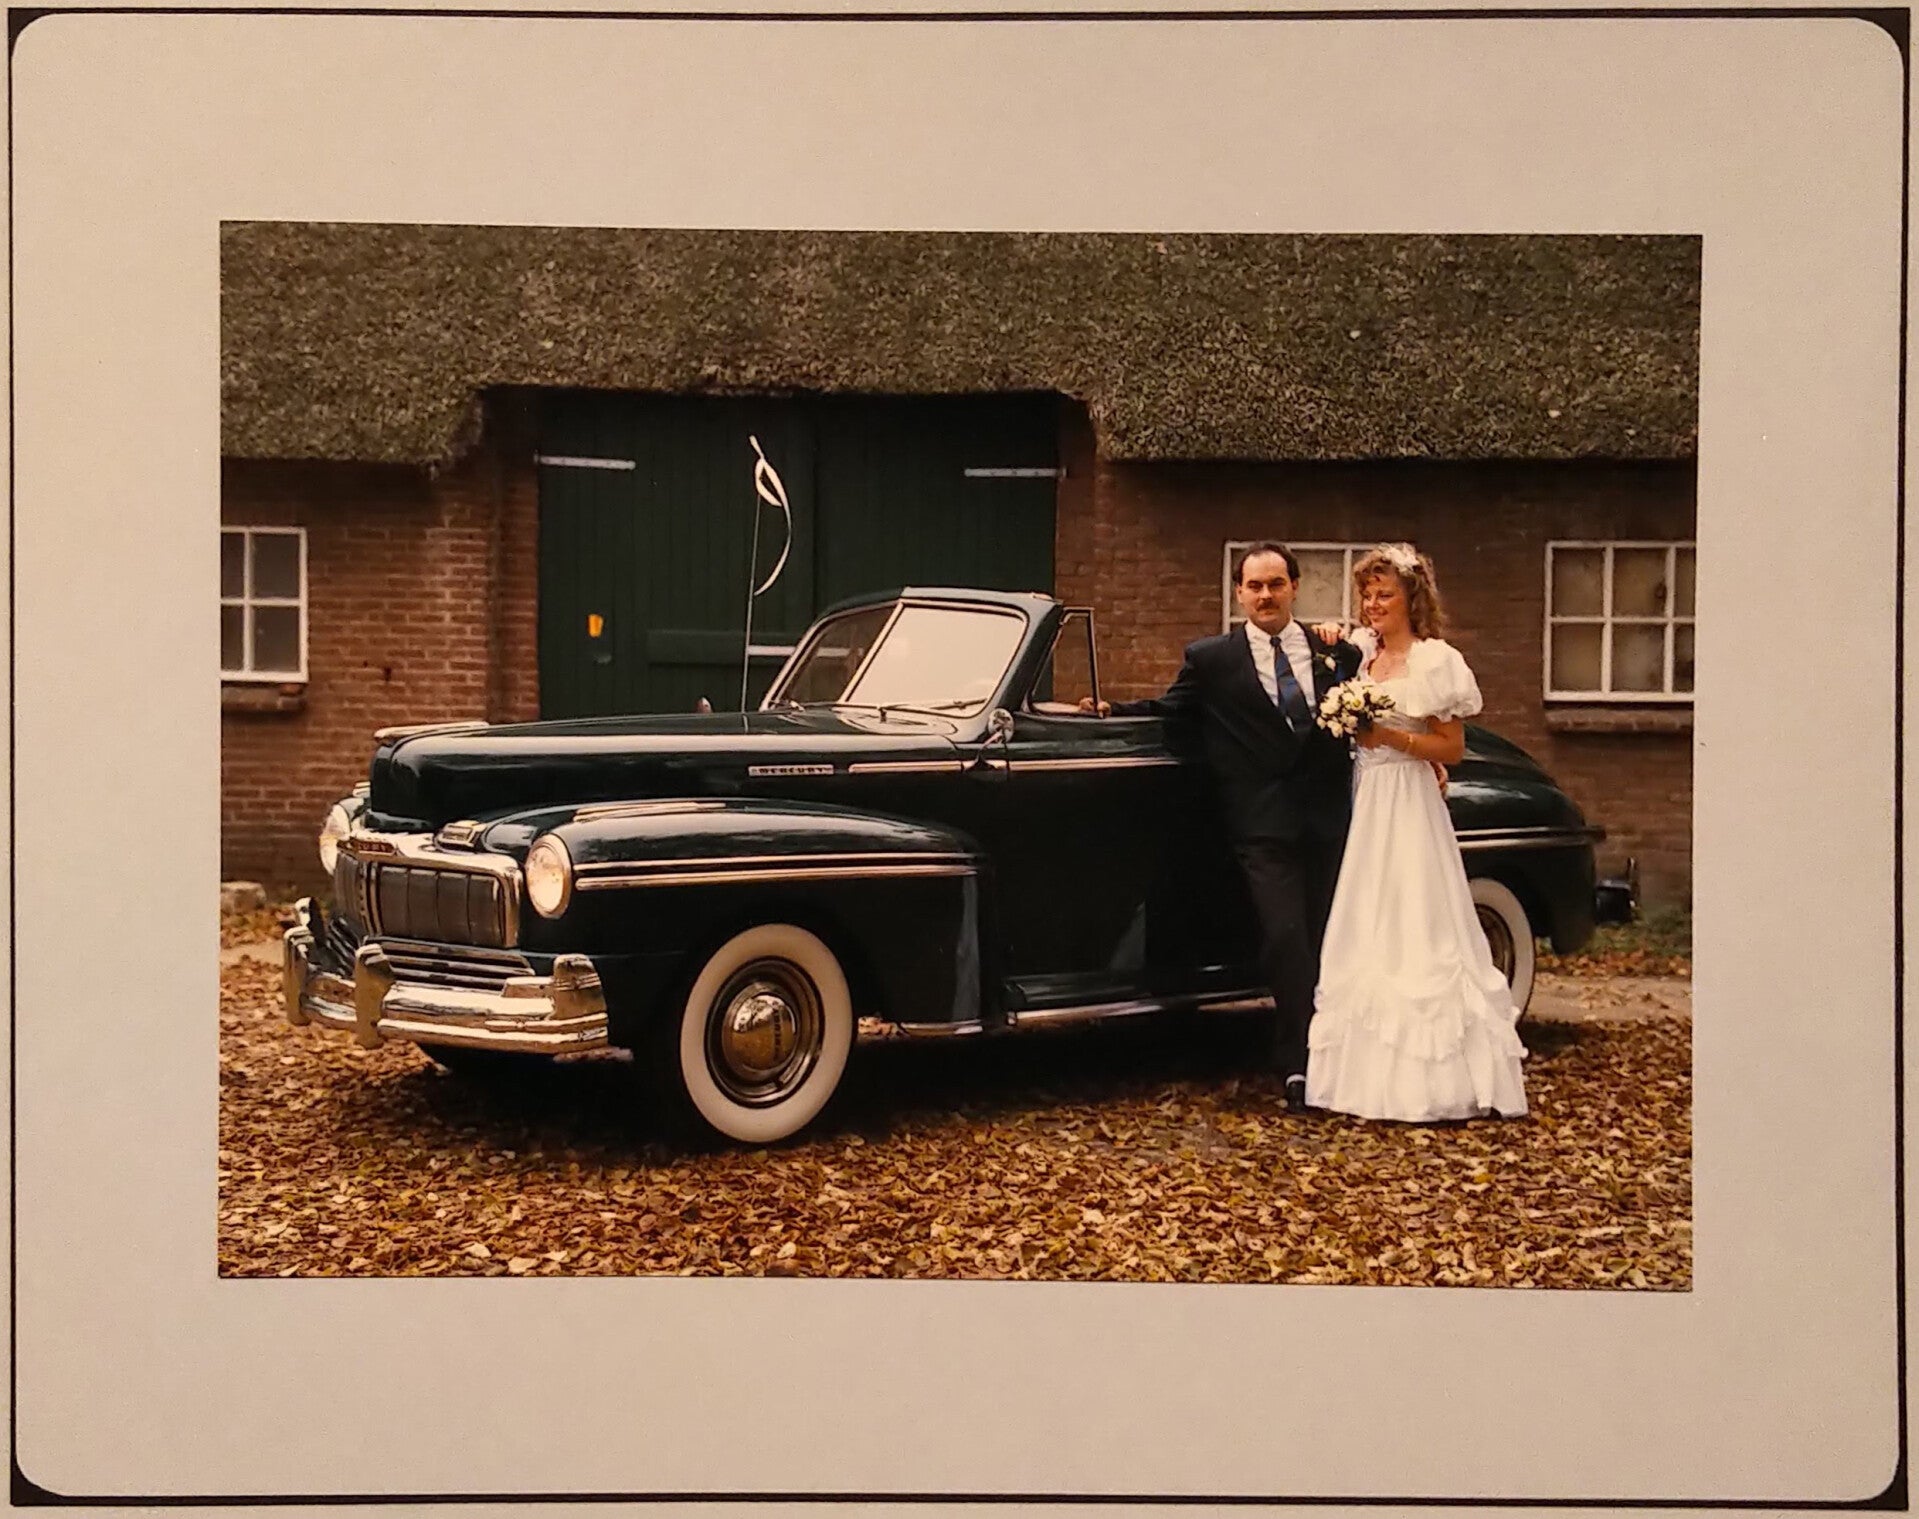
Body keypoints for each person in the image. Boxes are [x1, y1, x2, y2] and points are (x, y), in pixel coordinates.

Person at [1083, 543, 1361, 1112]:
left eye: (1276, 584)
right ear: (1239, 593)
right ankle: (1299, 1064)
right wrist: (1109, 711)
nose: (1265, 595)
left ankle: (1346, 1055)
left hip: (1331, 818)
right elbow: (1170, 709)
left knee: (1331, 938)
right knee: (1285, 937)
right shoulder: (1212, 660)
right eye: (1254, 586)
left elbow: (1376, 710)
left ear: (1295, 587)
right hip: (1261, 824)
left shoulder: (1335, 653)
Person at [1304, 543, 1528, 1121]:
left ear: (1411, 599)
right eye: (1367, 595)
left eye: (1386, 595)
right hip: (1366, 800)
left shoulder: (1433, 660)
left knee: (1416, 919)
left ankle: (1432, 1081)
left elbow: (1450, 748)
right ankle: (1362, 1082)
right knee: (1368, 918)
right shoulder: (1361, 653)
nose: (1374, 605)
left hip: (1408, 801)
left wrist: (1392, 740)